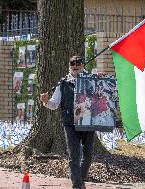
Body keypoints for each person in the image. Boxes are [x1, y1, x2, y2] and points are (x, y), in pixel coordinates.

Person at [40, 56, 94, 189]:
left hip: (88, 122)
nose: (75, 66)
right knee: (74, 156)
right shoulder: (62, 83)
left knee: (88, 156)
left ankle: (80, 180)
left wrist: (102, 79)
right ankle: (77, 185)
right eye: (72, 64)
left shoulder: (92, 79)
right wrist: (45, 101)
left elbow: (101, 93)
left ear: (82, 65)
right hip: (70, 124)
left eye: (78, 64)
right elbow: (54, 104)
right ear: (69, 66)